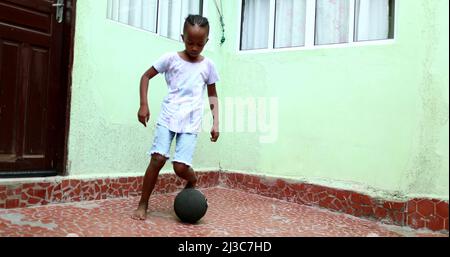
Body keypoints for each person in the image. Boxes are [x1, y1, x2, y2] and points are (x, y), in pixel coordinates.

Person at [131, 15, 220, 220]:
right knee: (158, 158)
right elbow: (146, 76)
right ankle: (143, 203)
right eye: (190, 42)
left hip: (191, 121)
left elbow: (212, 94)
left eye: (200, 43)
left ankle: (192, 179)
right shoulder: (170, 59)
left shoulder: (208, 66)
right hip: (168, 115)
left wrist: (216, 122)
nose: (195, 47)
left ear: (207, 41)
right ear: (182, 37)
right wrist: (143, 104)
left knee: (180, 167)